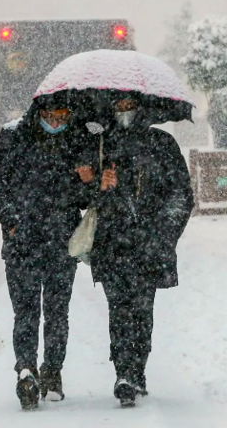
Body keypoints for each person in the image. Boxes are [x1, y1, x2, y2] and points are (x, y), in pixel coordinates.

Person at [85, 94, 194, 407]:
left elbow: (180, 194)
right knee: (118, 309)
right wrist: (97, 184)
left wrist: (163, 234)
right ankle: (124, 372)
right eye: (117, 106)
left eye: (129, 105)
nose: (123, 112)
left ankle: (137, 368)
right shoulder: (101, 145)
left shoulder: (162, 143)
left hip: (148, 245)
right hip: (111, 244)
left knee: (142, 311)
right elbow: (81, 192)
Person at [0, 98, 91, 410]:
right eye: (50, 115)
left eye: (63, 116)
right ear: (38, 113)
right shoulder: (13, 136)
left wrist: (87, 181)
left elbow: (85, 198)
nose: (56, 122)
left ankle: (52, 371)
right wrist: (13, 222)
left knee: (57, 312)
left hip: (62, 242)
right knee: (27, 312)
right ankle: (27, 370)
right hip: (23, 244)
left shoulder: (78, 139)